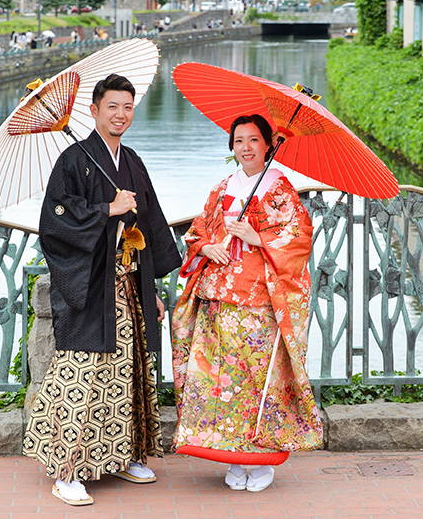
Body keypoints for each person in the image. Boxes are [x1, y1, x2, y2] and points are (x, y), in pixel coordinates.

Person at [23, 73, 182, 506]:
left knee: (127, 372)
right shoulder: (73, 160)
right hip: (91, 285)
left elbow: (150, 223)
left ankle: (123, 456)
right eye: (112, 106)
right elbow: (54, 220)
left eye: (128, 107)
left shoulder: (131, 160)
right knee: (82, 373)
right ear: (93, 111)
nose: (121, 114)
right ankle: (66, 471)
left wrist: (151, 291)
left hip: (128, 285)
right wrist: (106, 209)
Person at [171, 114, 323, 493]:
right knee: (221, 381)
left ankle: (260, 460)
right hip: (218, 299)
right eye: (239, 141)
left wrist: (258, 238)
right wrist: (207, 247)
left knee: (255, 381)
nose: (246, 148)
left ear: (269, 144)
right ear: (232, 147)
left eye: (254, 140)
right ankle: (232, 457)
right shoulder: (222, 188)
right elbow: (197, 232)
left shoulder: (281, 190)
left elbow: (300, 238)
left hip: (259, 301)